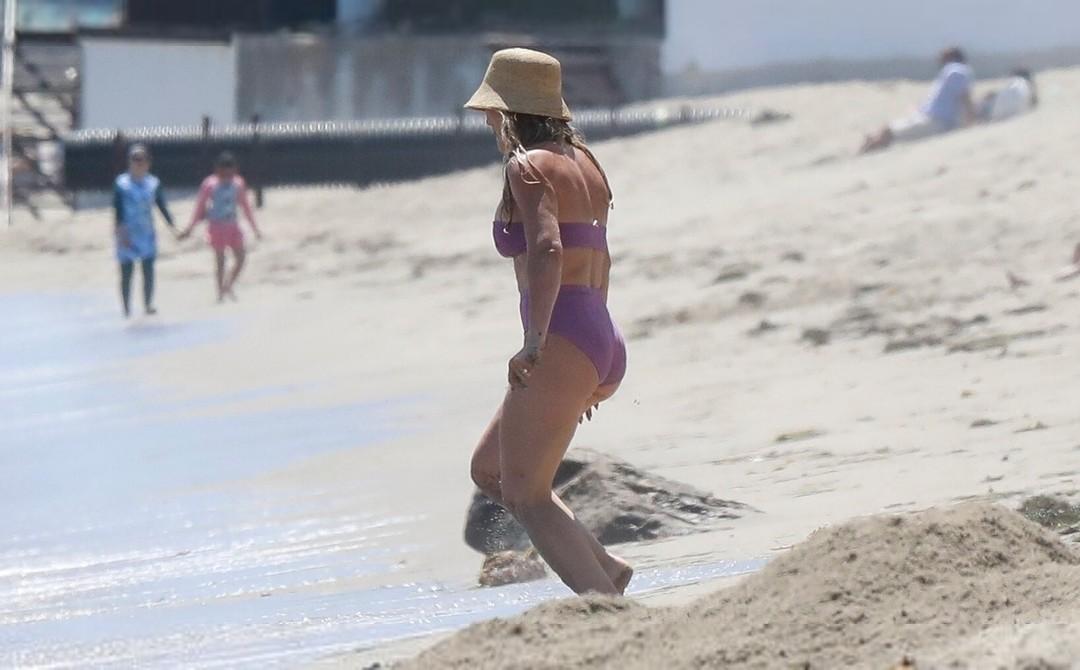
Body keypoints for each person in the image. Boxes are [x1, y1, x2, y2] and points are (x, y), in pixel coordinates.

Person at [464, 48, 631, 595]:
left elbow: (548, 249)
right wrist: (587, 362)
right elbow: (602, 258)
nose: (488, 122)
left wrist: (536, 344)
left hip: (563, 335)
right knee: (490, 470)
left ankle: (604, 607)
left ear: (507, 111)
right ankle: (604, 565)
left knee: (527, 496)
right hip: (597, 330)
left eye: (491, 112)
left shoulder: (527, 165)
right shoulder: (586, 162)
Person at [178, 152, 261, 302]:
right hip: (216, 226)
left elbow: (246, 207)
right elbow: (200, 207)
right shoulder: (210, 184)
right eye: (223, 171)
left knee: (241, 258)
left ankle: (228, 284)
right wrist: (190, 228)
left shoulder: (238, 184)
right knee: (220, 261)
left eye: (230, 171)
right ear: (217, 170)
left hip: (233, 225)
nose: (227, 175)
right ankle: (220, 293)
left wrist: (255, 228)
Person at [861, 47, 976, 153]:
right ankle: (866, 151)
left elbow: (965, 97)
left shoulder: (956, 70)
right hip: (930, 118)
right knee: (884, 131)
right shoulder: (951, 73)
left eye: (943, 57)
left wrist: (971, 124)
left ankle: (863, 157)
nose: (939, 61)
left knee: (888, 133)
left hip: (936, 122)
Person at [113, 144, 176, 318]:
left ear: (148, 162)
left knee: (148, 270)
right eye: (135, 159)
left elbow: (161, 206)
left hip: (146, 233)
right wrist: (121, 233)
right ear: (129, 162)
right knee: (127, 272)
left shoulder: (153, 184)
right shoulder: (121, 184)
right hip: (127, 232)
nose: (138, 163)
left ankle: (148, 305)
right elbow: (117, 211)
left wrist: (172, 226)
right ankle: (126, 308)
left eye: (142, 159)